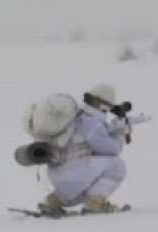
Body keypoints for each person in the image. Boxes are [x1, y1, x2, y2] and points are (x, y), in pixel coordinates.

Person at [39, 83, 128, 217]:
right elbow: (112, 150)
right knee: (117, 166)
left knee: (91, 177)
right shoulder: (93, 123)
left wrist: (111, 130)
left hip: (59, 173)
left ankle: (52, 201)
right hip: (72, 174)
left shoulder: (77, 116)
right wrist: (120, 134)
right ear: (103, 104)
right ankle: (94, 205)